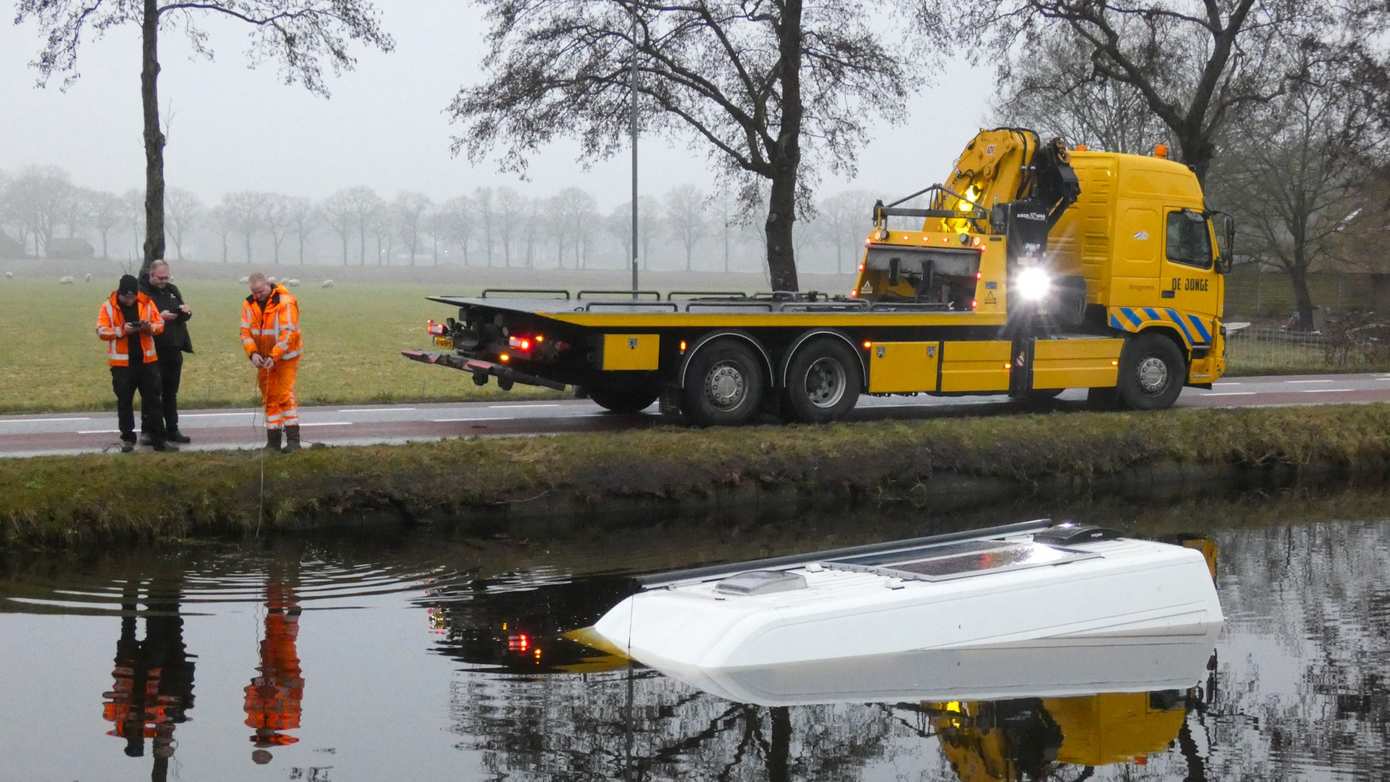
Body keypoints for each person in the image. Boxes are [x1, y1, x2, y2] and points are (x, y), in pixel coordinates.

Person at [96, 275, 177, 452]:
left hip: (147, 362)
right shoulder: (108, 306)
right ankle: (127, 439)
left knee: (154, 402)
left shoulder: (146, 303)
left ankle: (159, 440)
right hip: (122, 365)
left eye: (133, 296)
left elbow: (159, 323)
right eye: (127, 297)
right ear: (120, 293)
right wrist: (122, 330)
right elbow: (101, 331)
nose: (130, 300)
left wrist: (149, 328)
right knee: (124, 402)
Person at [241, 272, 302, 452]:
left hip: (285, 358)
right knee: (269, 398)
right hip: (263, 359)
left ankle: (293, 442)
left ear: (268, 285)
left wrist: (273, 356)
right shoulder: (248, 304)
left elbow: (288, 333)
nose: (257, 295)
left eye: (260, 291)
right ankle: (273, 442)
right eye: (254, 292)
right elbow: (245, 333)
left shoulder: (285, 302)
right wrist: (253, 353)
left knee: (284, 395)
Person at [140, 260, 194, 444]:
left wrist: (186, 312)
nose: (164, 281)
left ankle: (172, 429)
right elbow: (139, 319)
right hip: (154, 350)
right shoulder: (143, 293)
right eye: (160, 278)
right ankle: (149, 431)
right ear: (151, 275)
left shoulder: (172, 290)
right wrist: (159, 317)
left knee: (171, 392)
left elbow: (183, 313)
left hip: (174, 347)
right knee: (152, 392)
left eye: (166, 277)